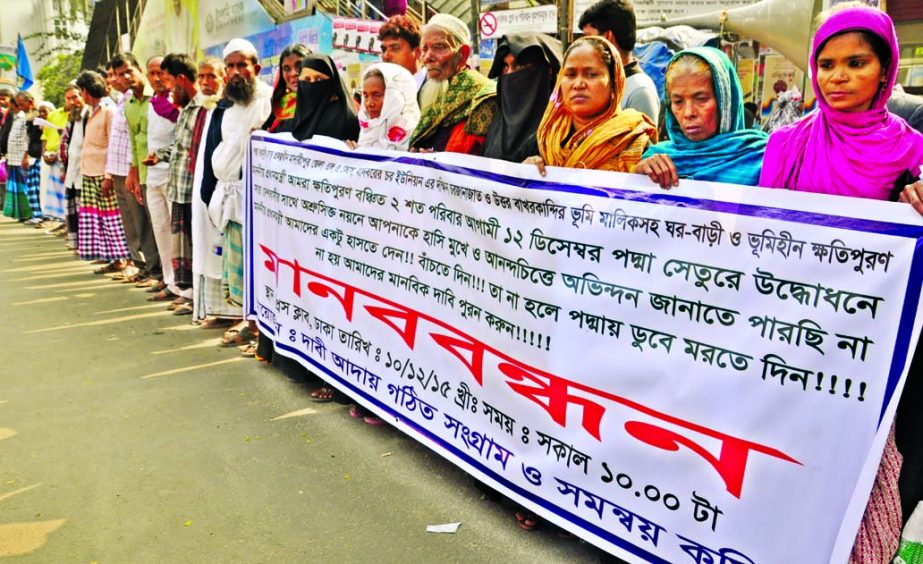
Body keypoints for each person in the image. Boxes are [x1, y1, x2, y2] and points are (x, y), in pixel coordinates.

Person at [758, 7, 923, 563]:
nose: (838, 76)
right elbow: (761, 238)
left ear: (885, 70)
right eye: (826, 64)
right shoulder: (786, 143)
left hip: (864, 352)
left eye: (857, 62)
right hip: (789, 335)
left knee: (856, 470)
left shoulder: (910, 152)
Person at [199, 39, 272, 335]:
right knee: (236, 262)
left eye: (242, 64)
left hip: (255, 197)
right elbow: (218, 148)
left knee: (258, 264)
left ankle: (257, 328)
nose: (236, 71)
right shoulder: (226, 105)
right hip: (229, 194)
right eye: (230, 65)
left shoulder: (267, 99)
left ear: (256, 67)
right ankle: (248, 322)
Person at [635, 47, 769, 188]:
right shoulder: (656, 159)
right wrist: (638, 177)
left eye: (701, 99)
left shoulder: (764, 159)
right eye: (678, 102)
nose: (688, 113)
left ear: (725, 101)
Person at [526, 36, 657, 175]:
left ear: (614, 83)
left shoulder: (632, 140)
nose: (578, 84)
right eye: (570, 75)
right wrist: (520, 173)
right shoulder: (543, 141)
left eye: (591, 74)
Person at [145, 53, 203, 314]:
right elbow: (181, 146)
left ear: (180, 79)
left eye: (168, 81)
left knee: (196, 247)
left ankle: (196, 297)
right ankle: (185, 291)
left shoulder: (203, 108)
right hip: (178, 187)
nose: (167, 88)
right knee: (182, 246)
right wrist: (159, 155)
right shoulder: (186, 109)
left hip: (193, 189)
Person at [409, 14, 497, 155]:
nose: (427, 57)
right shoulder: (424, 91)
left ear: (463, 54)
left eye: (439, 47)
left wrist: (440, 162)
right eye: (424, 49)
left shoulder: (484, 98)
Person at [74, 70, 131, 271]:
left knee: (112, 218)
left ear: (85, 90)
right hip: (89, 172)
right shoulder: (91, 111)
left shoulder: (109, 110)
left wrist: (108, 176)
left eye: (81, 91)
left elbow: (113, 146)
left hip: (103, 174)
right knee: (98, 219)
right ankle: (112, 258)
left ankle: (124, 259)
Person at [113, 52, 161, 286]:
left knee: (160, 225)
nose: (125, 77)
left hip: (162, 170)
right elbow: (134, 142)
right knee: (145, 224)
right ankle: (153, 271)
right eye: (120, 74)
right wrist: (133, 173)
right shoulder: (130, 104)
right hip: (141, 171)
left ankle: (164, 276)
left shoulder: (159, 98)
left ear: (139, 69)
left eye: (129, 71)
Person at [483, 32, 563, 163]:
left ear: (547, 71)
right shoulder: (495, 117)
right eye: (505, 67)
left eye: (518, 66)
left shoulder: (561, 129)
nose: (509, 75)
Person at [579, 0, 660, 127]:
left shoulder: (639, 92)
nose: (585, 46)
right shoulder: (608, 83)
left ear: (608, 37)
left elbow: (641, 145)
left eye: (589, 38)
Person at [348, 62, 420, 151]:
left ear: (395, 98)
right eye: (366, 96)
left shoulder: (416, 138)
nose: (369, 103)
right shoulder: (367, 130)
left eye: (377, 95)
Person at [290, 54, 360, 142]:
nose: (312, 84)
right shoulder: (297, 114)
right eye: (307, 79)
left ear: (332, 81)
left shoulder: (344, 118)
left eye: (319, 79)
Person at [2, 92, 43, 222]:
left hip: (25, 157)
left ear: (30, 101)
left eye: (21, 104)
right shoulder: (22, 116)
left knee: (28, 187)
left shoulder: (34, 116)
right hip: (15, 157)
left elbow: (29, 139)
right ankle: (22, 214)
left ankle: (31, 214)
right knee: (19, 188)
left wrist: (26, 156)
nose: (20, 107)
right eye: (18, 105)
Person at [60, 83, 86, 250]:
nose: (72, 101)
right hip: (72, 169)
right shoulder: (72, 117)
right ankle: (77, 243)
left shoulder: (89, 114)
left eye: (75, 97)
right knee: (73, 209)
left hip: (86, 170)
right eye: (69, 99)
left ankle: (86, 244)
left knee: (83, 210)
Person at [262, 44, 310, 133]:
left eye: (299, 66)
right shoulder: (278, 105)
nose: (293, 73)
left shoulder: (327, 103)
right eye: (287, 69)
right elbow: (266, 131)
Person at [38, 100, 69, 231]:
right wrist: (44, 153)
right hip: (49, 159)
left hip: (64, 158)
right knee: (54, 191)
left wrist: (58, 154)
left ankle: (68, 224)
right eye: (67, 98)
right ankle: (61, 221)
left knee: (65, 192)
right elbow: (44, 137)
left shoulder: (74, 114)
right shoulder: (54, 115)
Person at [378, 15, 425, 88]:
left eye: (395, 48)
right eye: (384, 50)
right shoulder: (382, 93)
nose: (385, 56)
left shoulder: (439, 91)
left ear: (418, 53)